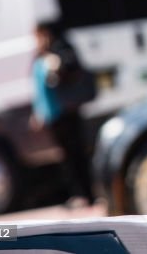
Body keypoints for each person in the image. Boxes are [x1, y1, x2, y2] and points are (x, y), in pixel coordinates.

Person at [30, 23, 95, 207]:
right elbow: (38, 89)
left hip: (66, 112)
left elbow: (71, 71)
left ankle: (87, 194)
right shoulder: (38, 57)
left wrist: (58, 65)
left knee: (77, 154)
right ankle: (78, 193)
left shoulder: (59, 51)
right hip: (52, 115)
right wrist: (38, 112)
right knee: (67, 157)